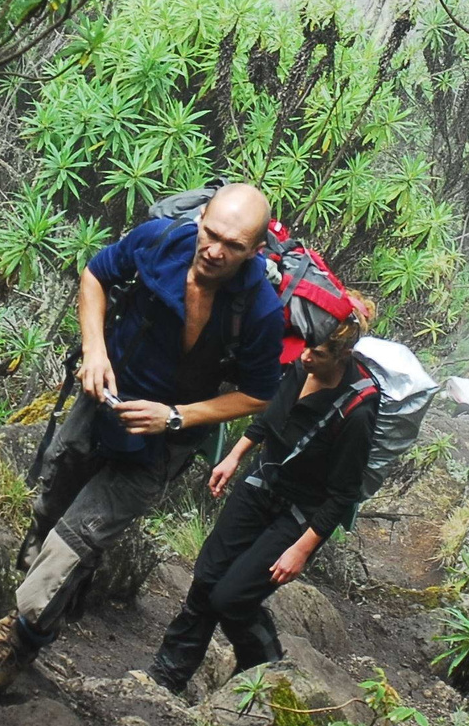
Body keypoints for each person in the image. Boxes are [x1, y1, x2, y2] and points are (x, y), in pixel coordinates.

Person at [0, 182, 286, 698]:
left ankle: (13, 648)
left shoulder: (259, 311)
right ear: (201, 219)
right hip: (102, 403)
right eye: (212, 234)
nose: (215, 251)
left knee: (77, 535)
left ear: (255, 250)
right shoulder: (160, 240)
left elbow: (260, 394)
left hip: (162, 441)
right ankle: (45, 601)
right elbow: (96, 274)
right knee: (51, 510)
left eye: (234, 245)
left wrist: (175, 417)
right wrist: (95, 351)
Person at [143, 296, 382, 695]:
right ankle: (167, 675)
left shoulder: (357, 410)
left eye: (318, 353)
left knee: (232, 598)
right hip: (262, 483)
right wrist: (234, 456)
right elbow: (271, 417)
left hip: (300, 513)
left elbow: (343, 495)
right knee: (206, 578)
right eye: (307, 346)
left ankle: (265, 674)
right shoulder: (298, 367)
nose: (306, 356)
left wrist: (300, 551)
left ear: (343, 354)